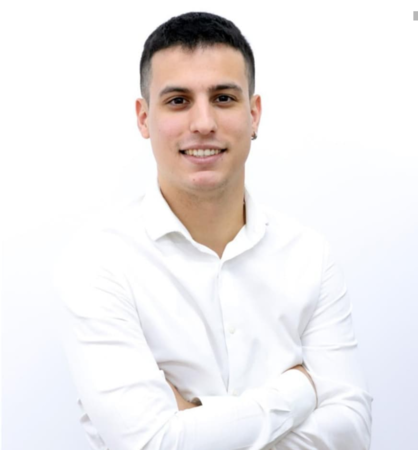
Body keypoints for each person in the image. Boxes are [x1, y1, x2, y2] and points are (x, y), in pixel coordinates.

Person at [59, 11, 372, 450]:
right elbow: (151, 444)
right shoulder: (100, 263)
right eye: (178, 101)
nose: (203, 122)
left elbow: (352, 431)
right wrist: (300, 391)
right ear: (144, 118)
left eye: (223, 98)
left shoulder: (309, 256)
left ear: (254, 114)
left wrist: (192, 419)